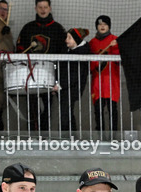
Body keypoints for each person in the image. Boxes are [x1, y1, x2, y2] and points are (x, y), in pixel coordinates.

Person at [16, 0, 65, 130]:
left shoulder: (58, 29)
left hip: (49, 75)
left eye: (45, 7)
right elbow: (19, 49)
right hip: (30, 76)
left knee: (47, 108)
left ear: (50, 8)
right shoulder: (28, 28)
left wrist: (58, 79)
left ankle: (45, 138)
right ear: (35, 8)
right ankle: (33, 138)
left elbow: (64, 53)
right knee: (31, 108)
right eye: (40, 7)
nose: (43, 10)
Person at [54, 28, 90, 132]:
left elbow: (74, 75)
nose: (66, 40)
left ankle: (65, 139)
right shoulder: (68, 51)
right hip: (64, 87)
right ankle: (71, 138)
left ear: (77, 40)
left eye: (69, 38)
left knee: (65, 114)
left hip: (70, 88)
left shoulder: (81, 55)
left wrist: (59, 85)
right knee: (67, 114)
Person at [89, 15, 119, 136]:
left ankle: (113, 136)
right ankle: (100, 135)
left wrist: (116, 46)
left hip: (112, 82)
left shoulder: (115, 40)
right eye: (100, 24)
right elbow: (90, 64)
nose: (102, 26)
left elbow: (119, 60)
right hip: (97, 83)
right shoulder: (92, 42)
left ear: (109, 26)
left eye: (105, 24)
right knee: (98, 110)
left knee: (112, 110)